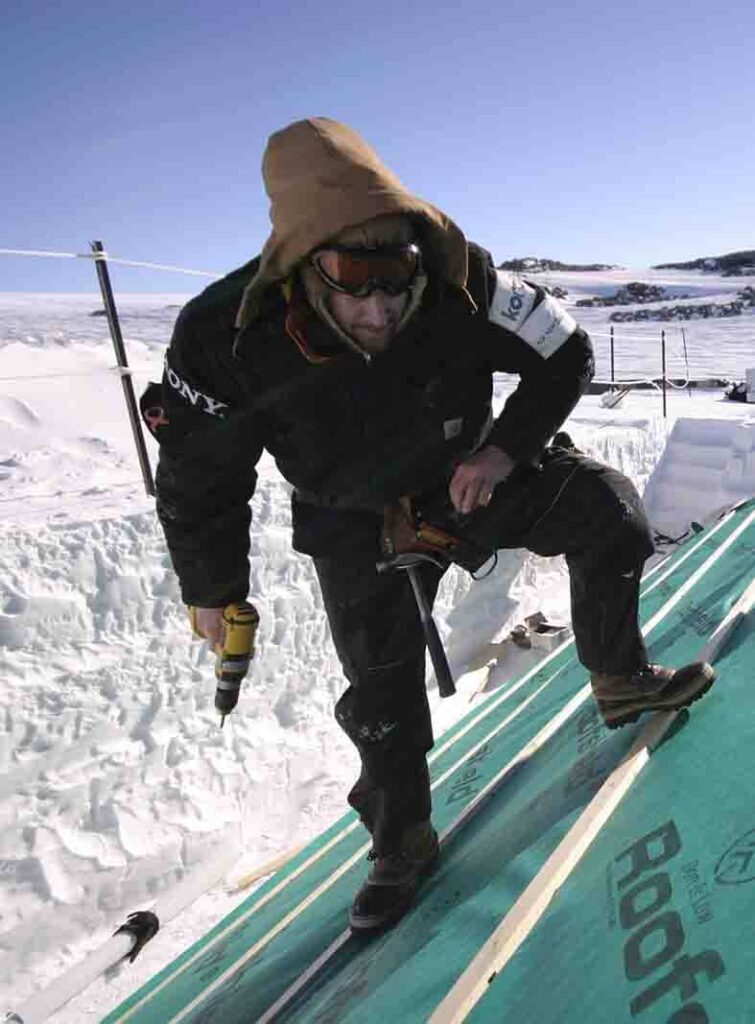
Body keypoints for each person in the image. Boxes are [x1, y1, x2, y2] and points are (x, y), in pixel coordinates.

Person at [142, 117, 715, 932]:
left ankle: (620, 678)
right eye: (353, 284)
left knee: (608, 514)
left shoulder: (465, 277)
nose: (379, 309)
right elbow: (200, 472)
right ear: (306, 268)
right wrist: (212, 588)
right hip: (349, 516)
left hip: (464, 474)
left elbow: (567, 353)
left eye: (395, 284)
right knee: (381, 692)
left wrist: (505, 453)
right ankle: (399, 838)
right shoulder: (223, 334)